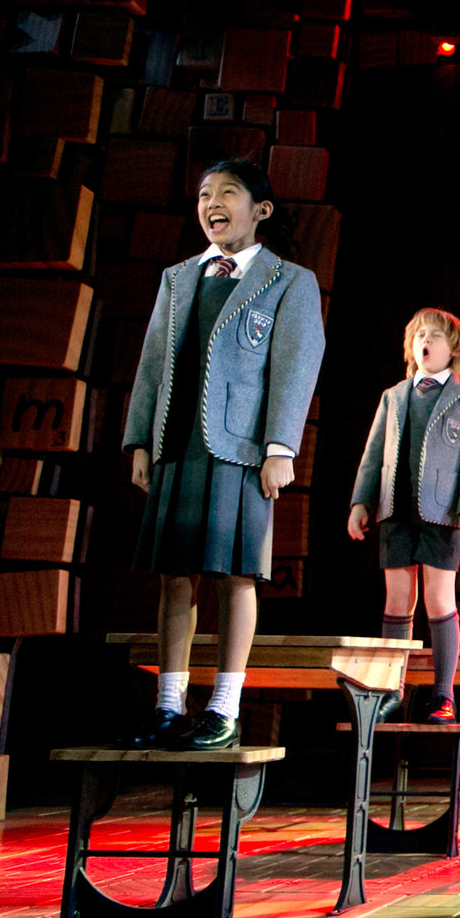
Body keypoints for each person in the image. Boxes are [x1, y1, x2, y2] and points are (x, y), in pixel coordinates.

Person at [121, 159, 327, 751]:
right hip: (177, 442)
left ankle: (224, 706)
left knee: (236, 575)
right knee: (174, 576)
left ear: (260, 210)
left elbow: (296, 365)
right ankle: (168, 704)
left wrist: (280, 446)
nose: (212, 202)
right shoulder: (178, 277)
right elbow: (152, 363)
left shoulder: (289, 280)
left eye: (227, 192)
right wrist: (141, 439)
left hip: (240, 450)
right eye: (204, 194)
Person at [348, 309, 460, 722]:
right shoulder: (393, 396)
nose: (426, 342)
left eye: (435, 336)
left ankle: (442, 694)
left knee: (438, 598)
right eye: (420, 335)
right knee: (397, 599)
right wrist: (361, 503)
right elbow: (373, 454)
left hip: (441, 513)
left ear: (454, 349)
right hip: (396, 510)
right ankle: (391, 690)